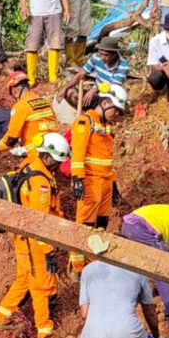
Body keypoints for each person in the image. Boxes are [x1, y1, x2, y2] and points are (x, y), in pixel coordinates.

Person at [0, 133, 71, 338]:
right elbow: (39, 221)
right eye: (56, 162)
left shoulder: (31, 163)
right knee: (41, 286)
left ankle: (0, 319)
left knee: (24, 279)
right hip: (35, 240)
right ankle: (46, 336)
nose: (57, 167)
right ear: (48, 158)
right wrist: (48, 252)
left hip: (24, 236)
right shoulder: (40, 182)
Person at [67, 83, 127, 274]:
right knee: (84, 224)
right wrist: (77, 179)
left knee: (101, 223)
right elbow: (78, 153)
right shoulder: (85, 122)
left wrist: (114, 184)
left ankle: (93, 259)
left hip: (106, 181)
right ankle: (77, 267)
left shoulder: (106, 126)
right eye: (115, 109)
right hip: (90, 181)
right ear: (105, 102)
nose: (116, 113)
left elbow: (107, 157)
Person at [57, 37, 130, 107]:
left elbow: (113, 86)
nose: (102, 58)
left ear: (114, 54)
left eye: (106, 55)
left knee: (109, 106)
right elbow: (81, 74)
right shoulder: (96, 57)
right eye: (101, 53)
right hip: (95, 95)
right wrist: (65, 88)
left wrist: (94, 90)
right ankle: (86, 112)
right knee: (70, 93)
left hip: (109, 97)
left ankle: (97, 114)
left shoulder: (123, 65)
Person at [0, 71, 58, 154]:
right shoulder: (44, 101)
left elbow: (12, 137)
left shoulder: (20, 106)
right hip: (53, 149)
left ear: (15, 90)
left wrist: (2, 145)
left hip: (36, 152)